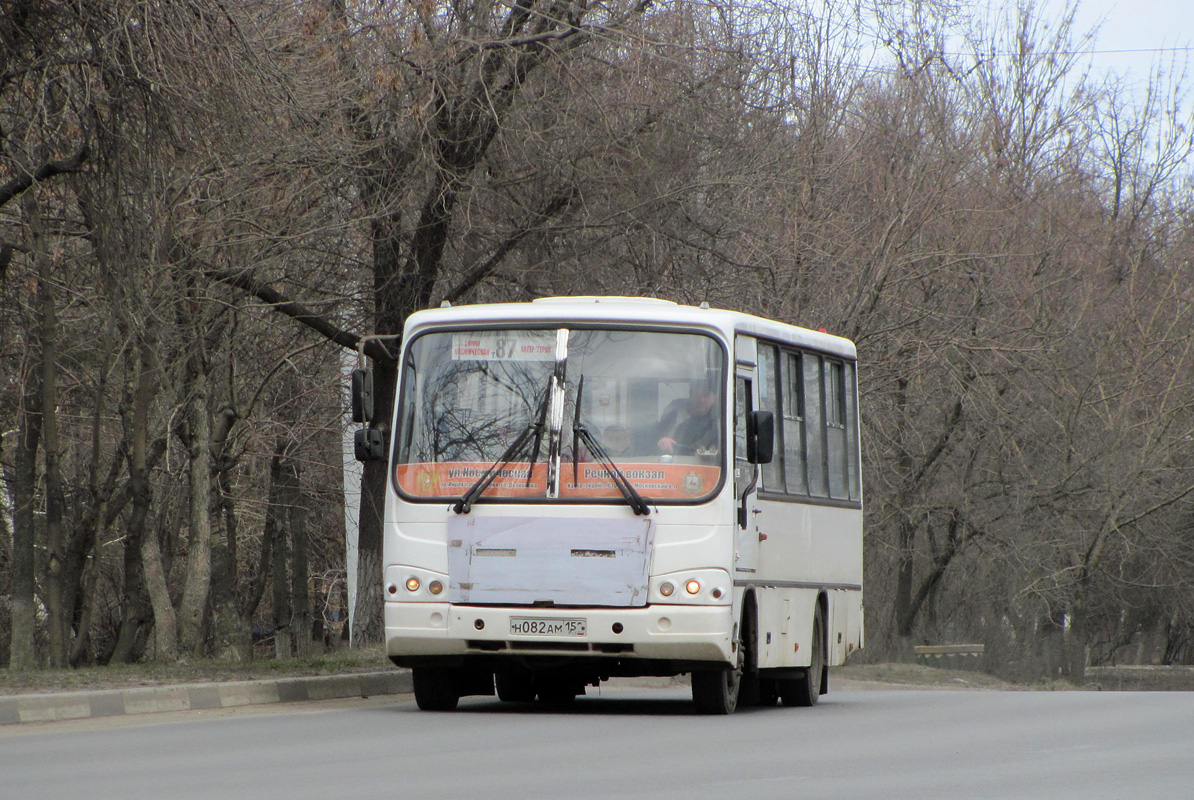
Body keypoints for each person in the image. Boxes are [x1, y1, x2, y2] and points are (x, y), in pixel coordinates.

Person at [655, 382, 719, 455]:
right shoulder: (674, 411)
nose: (701, 399)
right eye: (696, 395)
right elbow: (658, 436)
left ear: (714, 398)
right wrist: (664, 441)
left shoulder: (721, 421)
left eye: (706, 395)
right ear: (690, 394)